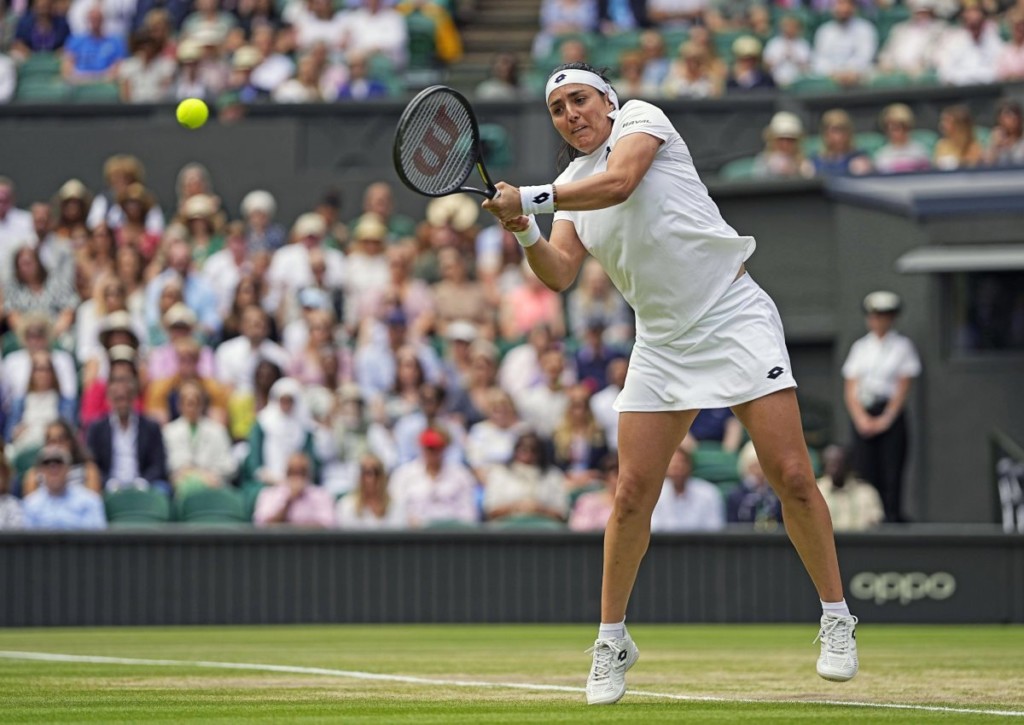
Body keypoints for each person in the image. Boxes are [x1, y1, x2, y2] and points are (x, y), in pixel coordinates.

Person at [481, 61, 858, 705]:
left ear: (607, 100)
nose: (571, 114)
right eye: (557, 108)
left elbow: (622, 183)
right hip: (661, 342)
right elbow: (561, 273)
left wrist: (532, 198)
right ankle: (611, 638)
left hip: (733, 315)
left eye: (580, 100)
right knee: (629, 495)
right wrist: (523, 231)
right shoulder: (572, 183)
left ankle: (836, 617)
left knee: (792, 475)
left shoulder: (641, 121)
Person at [842, 290, 921, 524]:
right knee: (865, 469)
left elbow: (903, 386)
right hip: (864, 413)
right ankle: (868, 517)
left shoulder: (902, 347)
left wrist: (886, 419)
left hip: (888, 413)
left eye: (883, 316)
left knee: (892, 468)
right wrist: (860, 419)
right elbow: (851, 387)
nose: (878, 321)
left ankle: (892, 516)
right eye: (874, 316)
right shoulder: (860, 347)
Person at [22, 445, 107, 530]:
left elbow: (96, 538)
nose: (53, 468)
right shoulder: (30, 504)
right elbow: (26, 540)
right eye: (47, 463)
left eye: (58, 463)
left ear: (68, 468)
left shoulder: (90, 501)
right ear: (41, 471)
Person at [650, 443, 725, 532]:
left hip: (701, 544)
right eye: (674, 466)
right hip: (664, 545)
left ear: (689, 466)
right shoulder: (655, 494)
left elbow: (715, 530)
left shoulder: (709, 493)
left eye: (681, 464)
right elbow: (653, 530)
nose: (678, 470)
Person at [816, 445, 884, 532]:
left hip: (860, 543)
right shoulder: (816, 492)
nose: (834, 469)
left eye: (838, 463)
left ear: (847, 465)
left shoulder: (867, 492)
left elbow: (877, 525)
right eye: (830, 464)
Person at [335, 453, 405, 528]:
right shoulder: (346, 506)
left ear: (383, 477)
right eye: (365, 472)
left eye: (376, 472)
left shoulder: (396, 506)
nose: (370, 479)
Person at [873, 104, 933, 175]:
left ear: (908, 128)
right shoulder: (881, 155)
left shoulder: (920, 151)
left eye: (899, 127)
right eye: (891, 128)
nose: (895, 132)